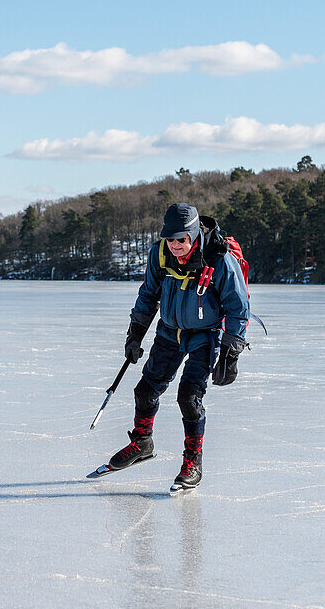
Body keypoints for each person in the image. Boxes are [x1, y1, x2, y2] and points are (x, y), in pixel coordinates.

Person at [108, 202, 250, 490]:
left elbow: (238, 307)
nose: (174, 245)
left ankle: (192, 463)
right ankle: (142, 443)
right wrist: (135, 334)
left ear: (194, 234)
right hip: (169, 332)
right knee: (145, 390)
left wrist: (231, 352)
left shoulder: (219, 259)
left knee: (189, 397)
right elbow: (148, 294)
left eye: (181, 239)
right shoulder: (160, 254)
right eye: (169, 238)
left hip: (205, 336)